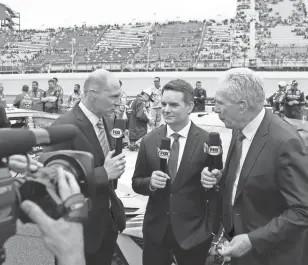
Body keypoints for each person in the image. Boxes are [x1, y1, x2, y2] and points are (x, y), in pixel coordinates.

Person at [201, 68, 308, 265]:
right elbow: (252, 176)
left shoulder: (284, 142)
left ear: (242, 105)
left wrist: (252, 240)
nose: (215, 109)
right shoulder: (239, 127)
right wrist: (222, 177)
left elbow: (302, 210)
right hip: (238, 249)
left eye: (220, 103)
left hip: (271, 256)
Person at [44, 69, 126, 265]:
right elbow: (53, 179)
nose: (119, 101)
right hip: (78, 230)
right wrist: (103, 174)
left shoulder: (107, 121)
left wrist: (114, 170)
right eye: (114, 96)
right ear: (92, 94)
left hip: (107, 225)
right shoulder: (64, 126)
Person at [132, 79, 216, 265]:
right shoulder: (149, 140)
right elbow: (137, 182)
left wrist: (210, 229)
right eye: (163, 104)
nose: (166, 110)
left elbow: (216, 188)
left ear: (190, 107)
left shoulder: (207, 140)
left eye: (173, 105)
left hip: (193, 233)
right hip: (156, 233)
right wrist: (150, 183)